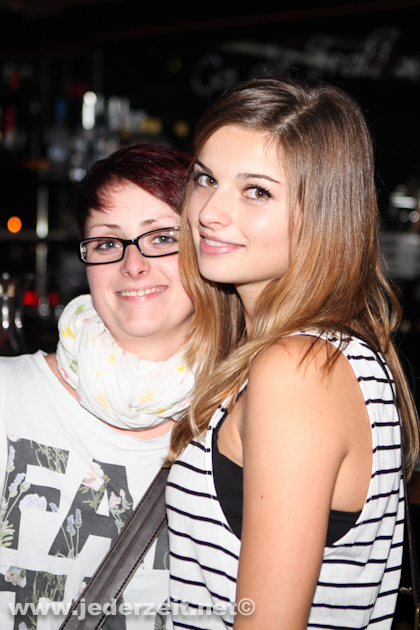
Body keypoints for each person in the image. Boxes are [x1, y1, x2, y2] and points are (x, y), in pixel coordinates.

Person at [167, 78, 419, 630]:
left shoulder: (298, 369)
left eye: (256, 191)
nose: (209, 212)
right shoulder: (330, 353)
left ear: (322, 215)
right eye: (206, 179)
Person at [0, 143, 195, 630]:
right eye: (108, 243)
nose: (134, 265)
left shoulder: (246, 418)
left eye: (162, 237)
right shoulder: (9, 396)